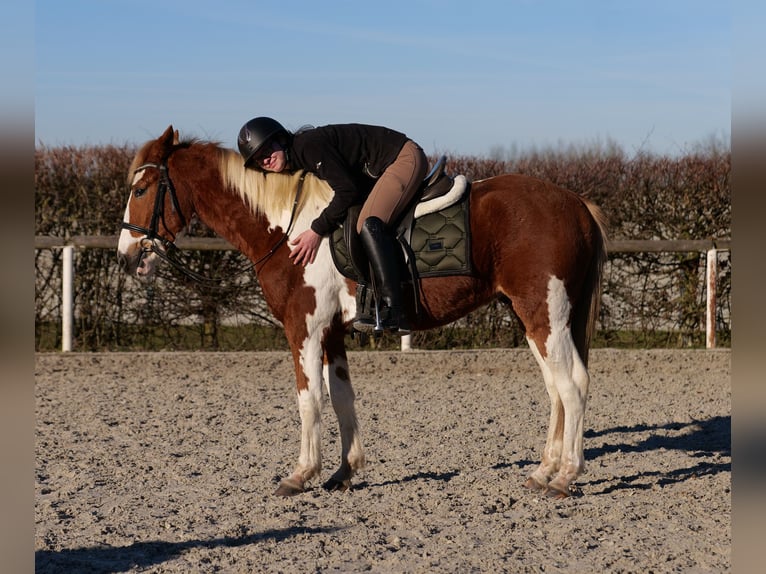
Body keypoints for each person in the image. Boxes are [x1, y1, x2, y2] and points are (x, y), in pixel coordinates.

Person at [237, 117, 428, 334]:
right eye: (258, 159)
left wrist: (316, 230)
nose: (265, 159)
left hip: (403, 158)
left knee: (369, 223)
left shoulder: (308, 147)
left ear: (281, 139)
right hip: (384, 166)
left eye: (267, 149)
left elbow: (348, 190)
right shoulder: (300, 157)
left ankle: (394, 308)